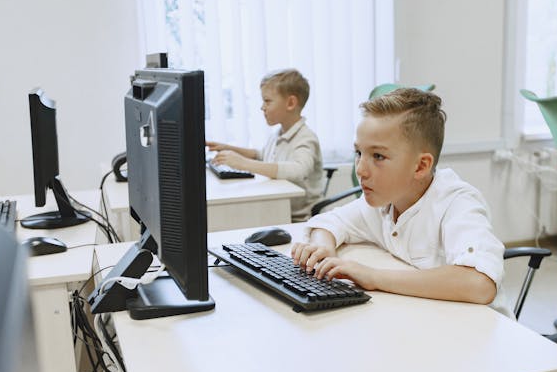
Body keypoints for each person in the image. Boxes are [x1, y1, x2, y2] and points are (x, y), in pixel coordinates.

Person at [291, 88, 504, 305]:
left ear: (421, 166)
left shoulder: (457, 203)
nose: (360, 170)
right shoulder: (386, 200)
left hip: (478, 332)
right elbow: (330, 222)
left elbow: (480, 283)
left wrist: (373, 276)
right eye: (358, 153)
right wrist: (323, 250)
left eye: (378, 156)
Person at [206, 69, 324, 222]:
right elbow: (263, 155)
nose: (262, 107)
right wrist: (229, 148)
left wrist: (243, 164)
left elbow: (298, 170)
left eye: (267, 101)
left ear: (290, 103)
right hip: (278, 209)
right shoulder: (280, 133)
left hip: (300, 219)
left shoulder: (306, 138)